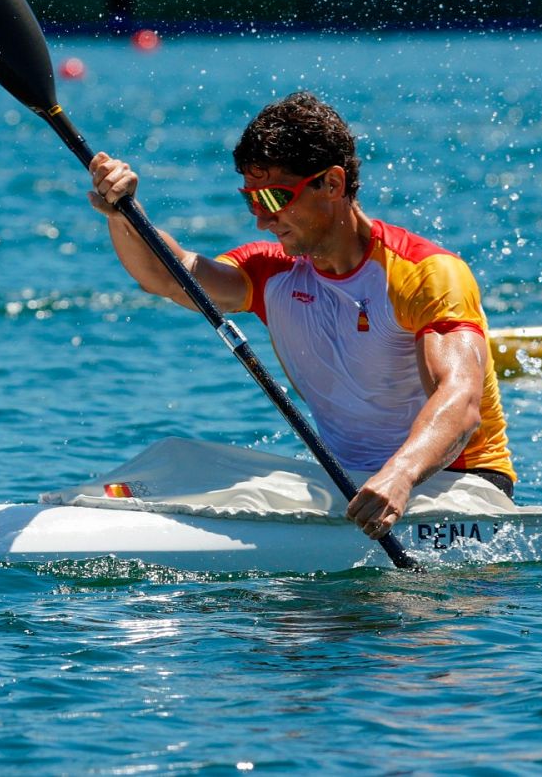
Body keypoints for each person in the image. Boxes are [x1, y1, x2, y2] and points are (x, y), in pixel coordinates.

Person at [86, 92, 513, 539]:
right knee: (175, 460)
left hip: (462, 487)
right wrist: (123, 213)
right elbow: (168, 277)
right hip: (354, 485)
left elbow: (461, 402)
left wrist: (400, 475)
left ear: (331, 183)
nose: (261, 220)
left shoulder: (425, 273)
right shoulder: (273, 274)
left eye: (273, 198)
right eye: (251, 200)